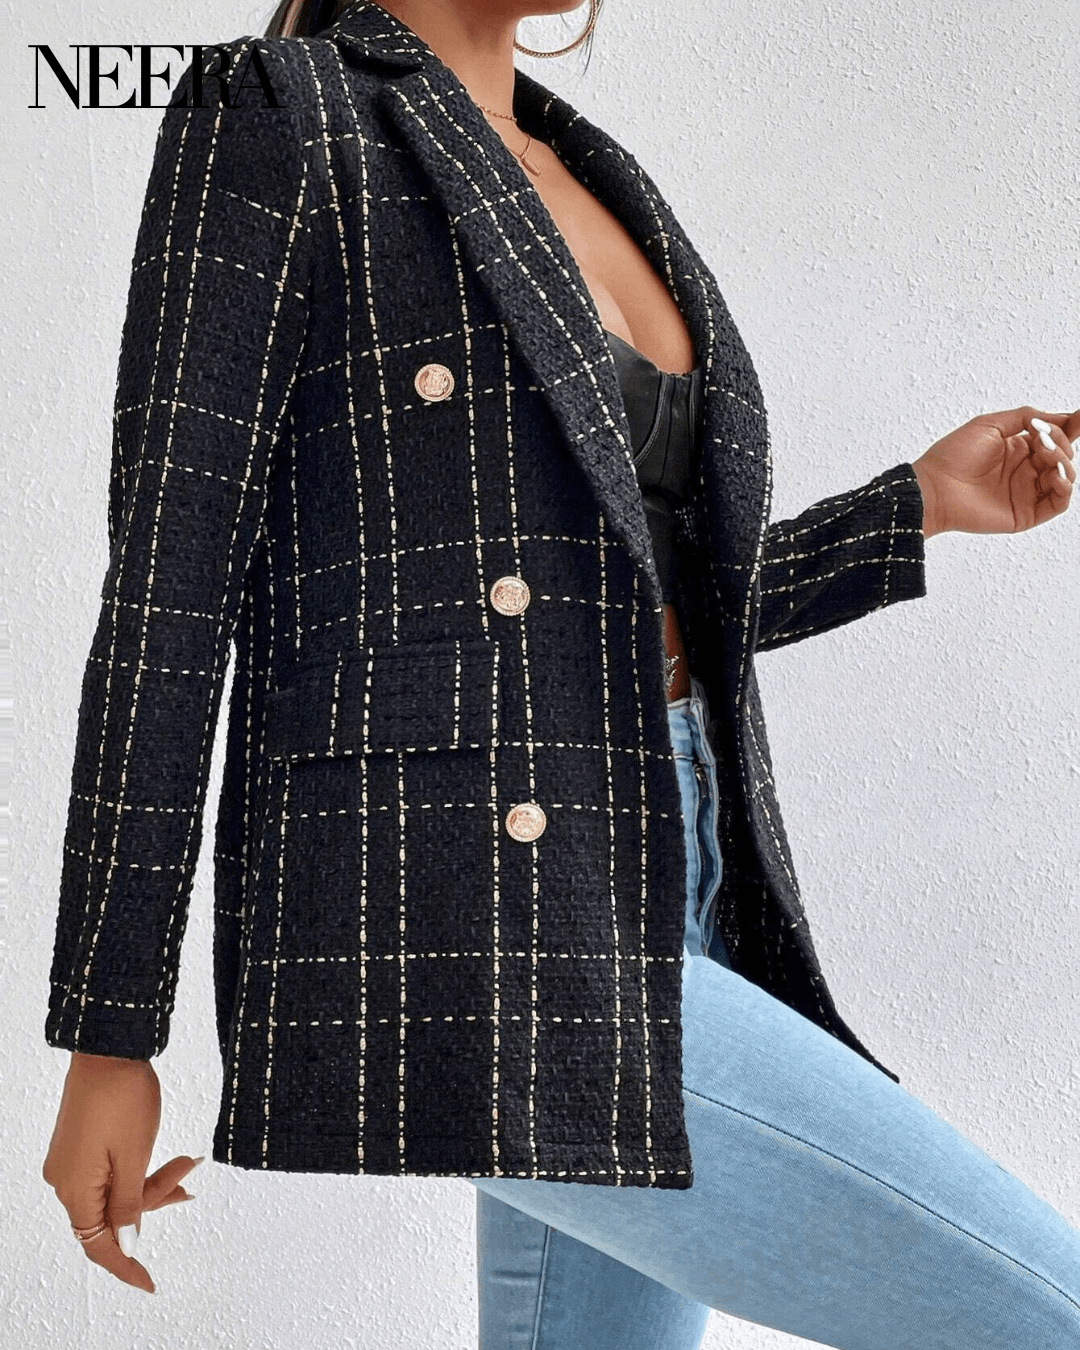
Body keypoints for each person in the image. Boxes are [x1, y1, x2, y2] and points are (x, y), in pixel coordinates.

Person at [41, 0, 1079, 1343]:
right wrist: (110, 1027)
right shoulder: (279, 114)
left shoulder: (588, 163)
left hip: (682, 852)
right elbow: (167, 596)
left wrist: (918, 505)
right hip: (475, 893)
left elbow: (630, 614)